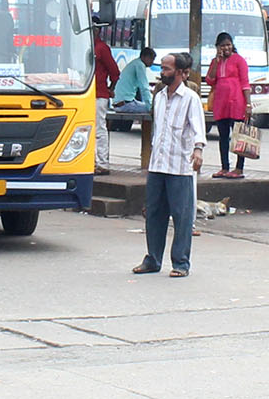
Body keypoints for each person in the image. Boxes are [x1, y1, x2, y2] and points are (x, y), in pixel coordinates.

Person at [135, 51, 206, 277]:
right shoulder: (159, 96)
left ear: (181, 73)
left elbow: (198, 129)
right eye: (162, 68)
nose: (161, 72)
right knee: (154, 214)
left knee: (182, 216)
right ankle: (153, 259)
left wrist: (198, 150)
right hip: (158, 166)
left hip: (179, 167)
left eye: (166, 69)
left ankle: (181, 263)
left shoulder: (190, 99)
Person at [204, 31, 251, 179]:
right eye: (223, 45)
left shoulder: (239, 60)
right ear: (217, 47)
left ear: (232, 45)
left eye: (228, 45)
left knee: (238, 137)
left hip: (237, 103)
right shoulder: (215, 62)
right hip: (221, 103)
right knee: (223, 136)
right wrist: (216, 62)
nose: (226, 48)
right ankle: (224, 167)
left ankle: (239, 169)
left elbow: (245, 83)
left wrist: (248, 104)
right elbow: (210, 80)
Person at [92, 40, 120, 174]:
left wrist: (110, 89)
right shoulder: (81, 44)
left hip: (99, 94)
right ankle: (92, 161)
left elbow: (115, 72)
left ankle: (102, 164)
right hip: (83, 92)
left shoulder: (102, 48)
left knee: (99, 128)